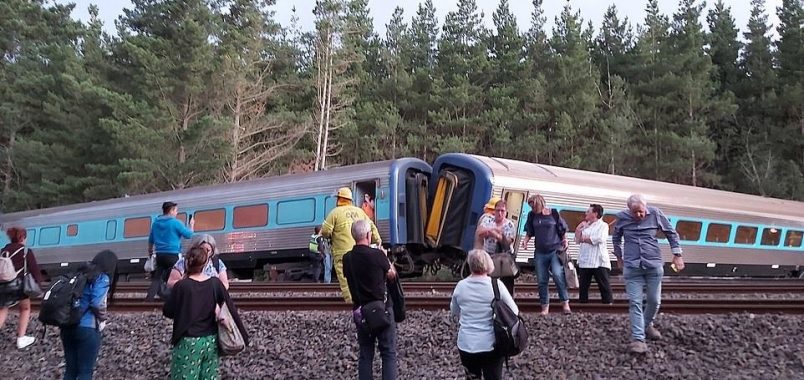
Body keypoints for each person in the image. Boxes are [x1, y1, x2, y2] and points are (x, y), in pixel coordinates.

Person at [612, 194, 685, 354]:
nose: (639, 215)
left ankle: (646, 324)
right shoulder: (621, 218)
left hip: (653, 264)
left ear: (646, 207)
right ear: (629, 210)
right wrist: (619, 257)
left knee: (654, 300)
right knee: (635, 302)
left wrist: (677, 255)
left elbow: (671, 233)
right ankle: (638, 339)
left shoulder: (656, 214)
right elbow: (616, 238)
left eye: (641, 211)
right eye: (635, 212)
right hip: (632, 266)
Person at [164, 246, 246, 380]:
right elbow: (229, 306)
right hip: (211, 341)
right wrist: (243, 336)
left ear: (187, 263)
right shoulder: (215, 283)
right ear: (206, 264)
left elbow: (168, 311)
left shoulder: (182, 286)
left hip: (188, 341)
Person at [450, 249, 518, 380]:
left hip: (466, 344)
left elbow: (454, 311)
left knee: (472, 377)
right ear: (488, 264)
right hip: (491, 344)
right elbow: (514, 311)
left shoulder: (460, 286)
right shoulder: (496, 285)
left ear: (470, 265)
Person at [343, 219, 398, 380]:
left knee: (366, 354)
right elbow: (392, 276)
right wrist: (385, 257)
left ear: (354, 236)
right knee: (388, 353)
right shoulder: (378, 255)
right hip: (382, 310)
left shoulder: (347, 259)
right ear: (368, 235)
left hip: (361, 312)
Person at [60, 250, 119, 380]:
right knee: (85, 372)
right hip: (87, 328)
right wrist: (103, 318)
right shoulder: (102, 277)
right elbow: (97, 303)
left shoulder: (80, 273)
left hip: (67, 326)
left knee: (70, 371)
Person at [322, 187, 382, 303]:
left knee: (345, 279)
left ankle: (351, 302)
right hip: (360, 250)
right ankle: (364, 299)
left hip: (342, 252)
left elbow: (325, 231)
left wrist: (329, 235)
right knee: (360, 276)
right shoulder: (359, 211)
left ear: (339, 199)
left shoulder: (334, 213)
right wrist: (377, 240)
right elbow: (371, 226)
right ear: (350, 199)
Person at [520, 194, 571, 315]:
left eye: (533, 206)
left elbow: (562, 229)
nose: (532, 208)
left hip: (555, 250)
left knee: (558, 275)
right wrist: (525, 241)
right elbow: (530, 231)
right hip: (540, 251)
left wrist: (565, 240)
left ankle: (565, 304)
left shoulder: (553, 213)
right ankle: (545, 307)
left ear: (539, 204)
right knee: (542, 280)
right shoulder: (532, 215)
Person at [0, 227, 43, 349]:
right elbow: (34, 269)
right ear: (22, 237)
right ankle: (21, 338)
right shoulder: (25, 251)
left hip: (3, 285)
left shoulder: (3, 250)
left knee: (3, 309)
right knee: (25, 308)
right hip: (19, 286)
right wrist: (39, 284)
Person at [145, 201, 194, 301]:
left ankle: (149, 299)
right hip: (173, 254)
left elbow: (151, 240)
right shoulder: (175, 223)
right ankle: (175, 297)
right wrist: (191, 225)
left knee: (157, 277)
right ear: (171, 211)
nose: (176, 213)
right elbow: (188, 235)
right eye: (176, 210)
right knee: (174, 276)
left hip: (159, 255)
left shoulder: (156, 223)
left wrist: (150, 252)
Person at [474, 199, 517, 295]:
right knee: (488, 280)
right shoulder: (488, 220)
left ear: (506, 212)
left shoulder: (509, 225)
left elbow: (508, 243)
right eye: (498, 210)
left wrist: (496, 235)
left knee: (507, 283)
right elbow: (479, 232)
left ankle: (507, 303)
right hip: (489, 254)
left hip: (504, 257)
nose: (500, 213)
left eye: (502, 211)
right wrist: (493, 229)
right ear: (494, 211)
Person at [575, 204, 613, 304]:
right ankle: (582, 306)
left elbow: (600, 238)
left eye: (588, 211)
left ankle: (608, 304)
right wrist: (578, 229)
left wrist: (584, 239)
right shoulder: (585, 225)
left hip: (599, 261)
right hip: (585, 259)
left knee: (604, 285)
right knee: (583, 286)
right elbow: (577, 239)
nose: (585, 213)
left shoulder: (603, 225)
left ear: (595, 214)